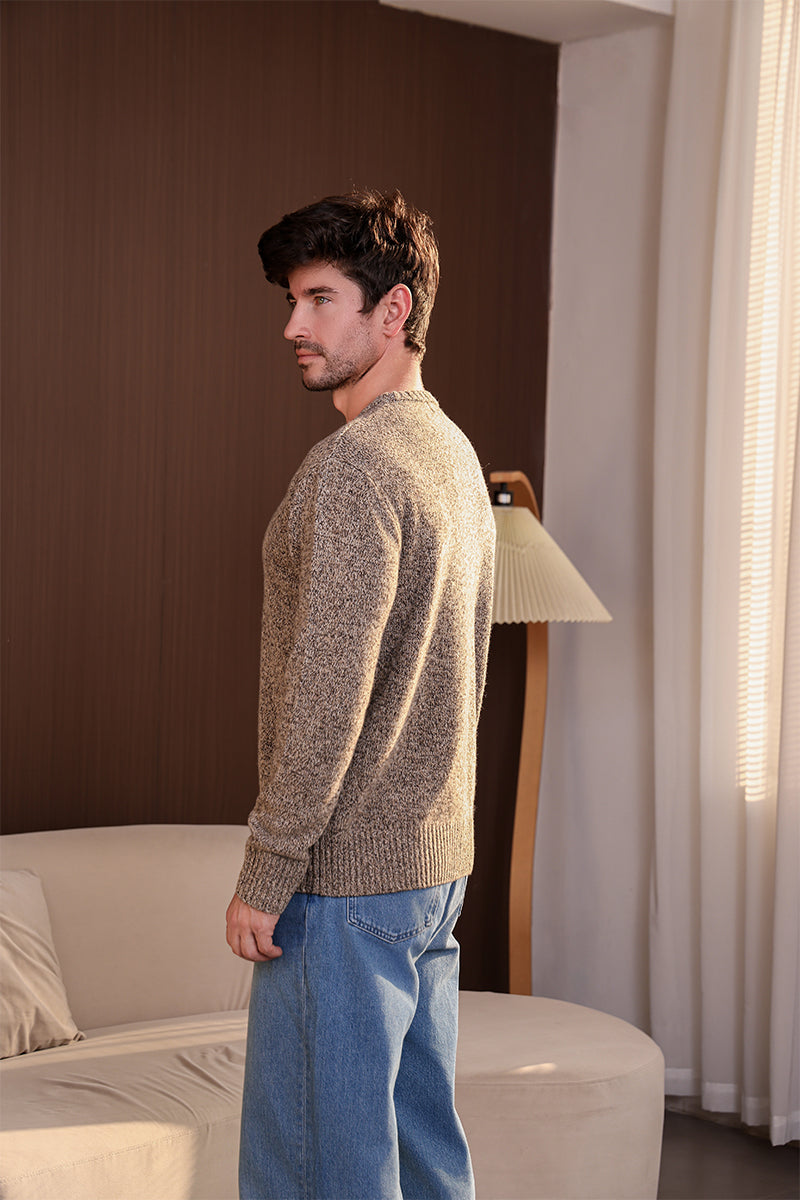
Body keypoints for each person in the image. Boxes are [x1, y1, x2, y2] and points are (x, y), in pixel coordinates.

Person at [226, 189, 495, 1200]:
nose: (292, 326)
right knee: (422, 1158)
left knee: (315, 1172)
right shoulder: (452, 452)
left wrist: (270, 869)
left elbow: (327, 693)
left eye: (319, 300)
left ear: (393, 310)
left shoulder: (355, 467)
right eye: (291, 302)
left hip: (343, 882)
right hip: (430, 871)